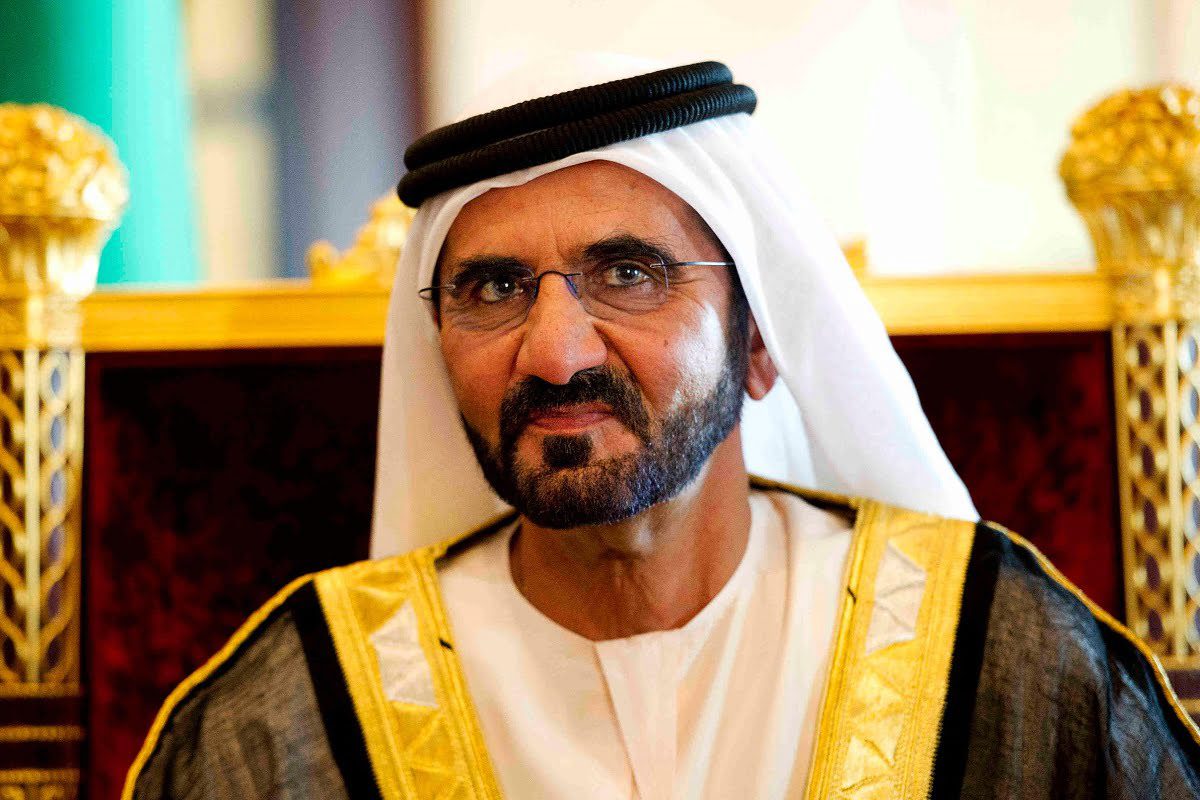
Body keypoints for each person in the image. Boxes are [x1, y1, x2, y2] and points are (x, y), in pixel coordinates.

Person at [124, 57, 1200, 800]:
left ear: (760, 338)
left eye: (629, 274)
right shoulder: (298, 714)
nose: (556, 353)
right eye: (493, 289)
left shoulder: (996, 657)